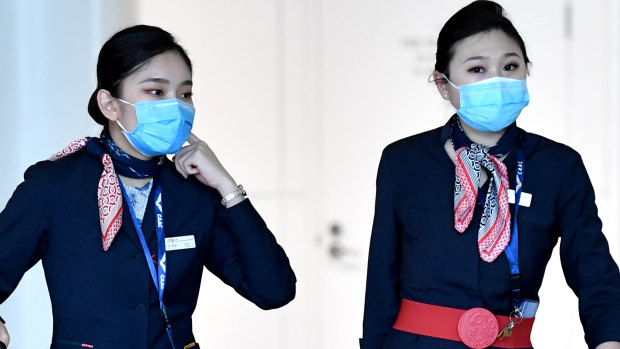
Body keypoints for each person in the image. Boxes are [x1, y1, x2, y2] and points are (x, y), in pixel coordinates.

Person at [0, 25, 296, 349]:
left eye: (184, 94)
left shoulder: (193, 192)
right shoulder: (56, 185)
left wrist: (226, 185)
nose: (176, 106)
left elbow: (274, 290)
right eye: (156, 92)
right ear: (110, 105)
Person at [359, 1, 620, 348]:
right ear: (443, 84)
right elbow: (381, 279)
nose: (497, 80)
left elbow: (596, 276)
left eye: (510, 66)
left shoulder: (558, 167)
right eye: (478, 70)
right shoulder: (403, 162)